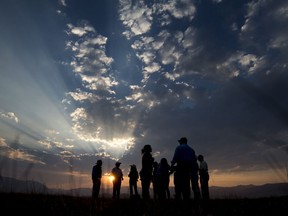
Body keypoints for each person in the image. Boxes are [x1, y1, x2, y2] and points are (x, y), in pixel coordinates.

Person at [171, 137, 199, 201]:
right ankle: (187, 199)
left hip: (180, 167)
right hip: (188, 169)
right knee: (186, 184)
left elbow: (175, 157)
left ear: (181, 142)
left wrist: (172, 165)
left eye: (180, 141)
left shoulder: (179, 148)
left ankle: (179, 198)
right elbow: (194, 160)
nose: (179, 142)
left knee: (178, 184)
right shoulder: (191, 150)